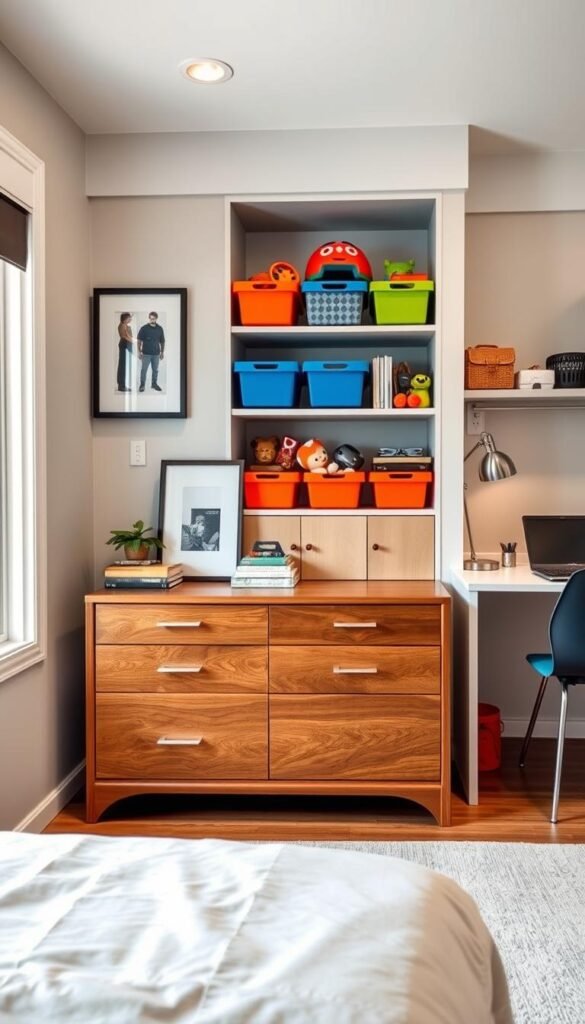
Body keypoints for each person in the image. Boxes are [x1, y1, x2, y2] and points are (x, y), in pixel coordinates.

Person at [137, 311, 165, 392]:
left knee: (155, 370)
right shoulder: (144, 328)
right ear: (149, 318)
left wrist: (162, 352)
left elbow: (162, 341)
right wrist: (139, 352)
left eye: (153, 318)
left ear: (156, 318)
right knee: (144, 370)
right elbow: (139, 340)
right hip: (146, 354)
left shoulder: (160, 328)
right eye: (150, 318)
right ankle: (142, 385)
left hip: (156, 354)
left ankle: (154, 384)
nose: (152, 319)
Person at [116, 312, 134, 392]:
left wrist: (132, 340)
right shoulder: (122, 325)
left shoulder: (127, 326)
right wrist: (133, 340)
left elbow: (129, 336)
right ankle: (121, 386)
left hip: (128, 345)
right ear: (125, 319)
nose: (130, 319)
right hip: (124, 345)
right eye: (129, 318)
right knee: (123, 366)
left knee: (126, 366)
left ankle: (123, 385)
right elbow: (123, 336)